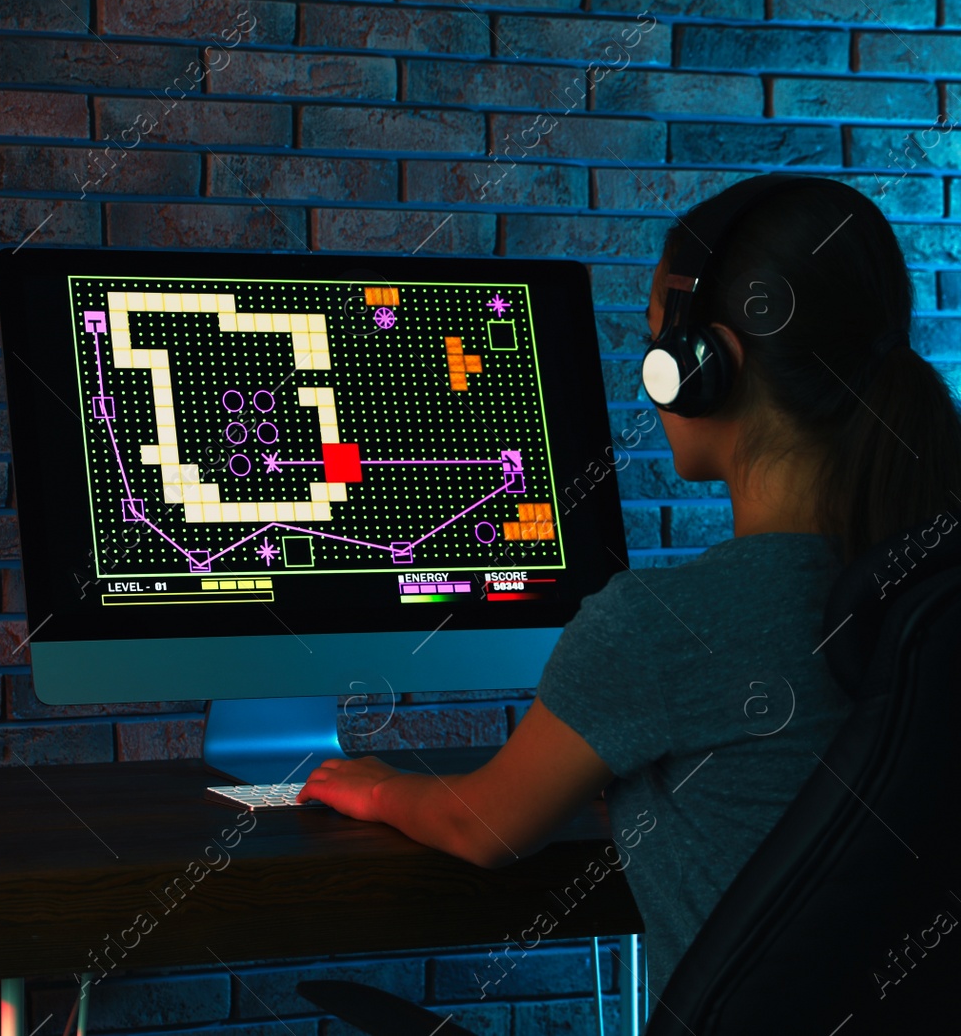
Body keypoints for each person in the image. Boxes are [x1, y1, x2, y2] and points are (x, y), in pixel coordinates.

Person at [295, 176, 961, 1012]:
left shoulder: (660, 625)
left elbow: (483, 824)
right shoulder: (928, 591)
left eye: (655, 343)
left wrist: (377, 785)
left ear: (704, 367)